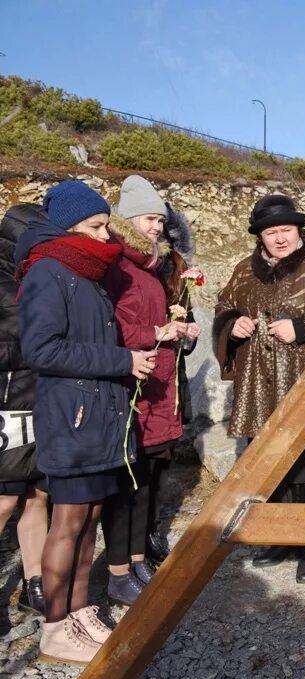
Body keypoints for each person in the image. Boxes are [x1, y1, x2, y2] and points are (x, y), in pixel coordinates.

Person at [16, 180, 157, 663]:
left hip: (100, 417)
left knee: (90, 519)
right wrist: (122, 361)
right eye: (97, 227)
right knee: (67, 523)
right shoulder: (47, 273)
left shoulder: (87, 275)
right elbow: (41, 349)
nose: (105, 237)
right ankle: (55, 628)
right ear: (70, 225)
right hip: (71, 418)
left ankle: (79, 613)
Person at [213, 194, 305, 585]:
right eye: (271, 232)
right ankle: (279, 538)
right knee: (270, 464)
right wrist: (233, 324)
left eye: (286, 231)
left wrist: (304, 328)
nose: (279, 238)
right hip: (259, 381)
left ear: (299, 231)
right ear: (260, 236)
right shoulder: (245, 270)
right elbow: (223, 304)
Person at [100, 175, 200, 606]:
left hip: (158, 384)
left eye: (160, 220)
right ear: (127, 220)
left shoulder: (152, 267)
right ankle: (118, 567)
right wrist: (161, 328)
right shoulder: (119, 266)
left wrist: (182, 325)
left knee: (144, 478)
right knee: (125, 481)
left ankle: (138, 558)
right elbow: (113, 326)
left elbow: (154, 323)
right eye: (148, 219)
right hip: (131, 384)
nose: (156, 227)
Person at [0, 203, 48, 616]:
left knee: (38, 495)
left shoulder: (36, 275)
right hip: (8, 402)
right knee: (2, 501)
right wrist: (35, 344)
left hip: (42, 397)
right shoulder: (4, 276)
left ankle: (36, 585)